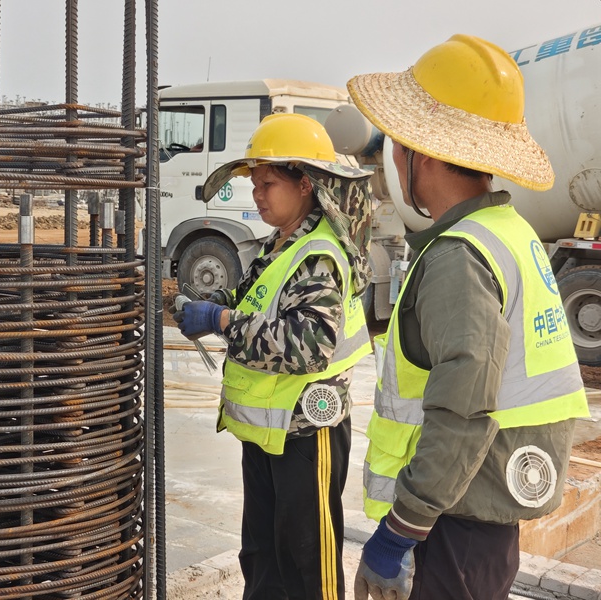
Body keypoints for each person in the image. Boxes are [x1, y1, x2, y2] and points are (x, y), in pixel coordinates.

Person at [345, 34, 591, 600]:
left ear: (423, 154)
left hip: (452, 520)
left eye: (401, 146)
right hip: (476, 510)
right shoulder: (510, 231)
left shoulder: (460, 255)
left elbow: (463, 408)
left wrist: (401, 529)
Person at [173, 112, 373, 599]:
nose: (257, 194)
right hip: (268, 432)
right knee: (262, 556)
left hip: (308, 431)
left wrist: (220, 322)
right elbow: (252, 307)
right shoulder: (277, 247)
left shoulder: (319, 255)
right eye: (254, 183)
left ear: (305, 184)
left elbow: (305, 345)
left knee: (308, 561)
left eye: (267, 183)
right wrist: (206, 308)